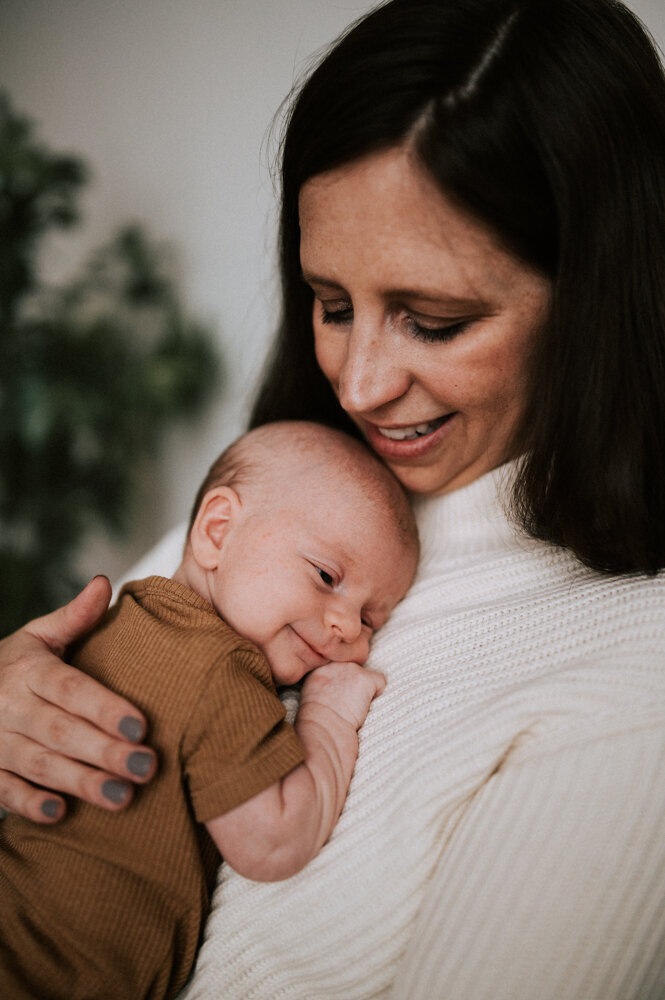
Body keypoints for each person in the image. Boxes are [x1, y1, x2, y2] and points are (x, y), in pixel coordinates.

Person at [1, 0, 665, 997]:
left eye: (431, 321)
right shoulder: (289, 492)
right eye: (331, 304)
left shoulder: (631, 687)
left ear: (597, 292)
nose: (355, 386)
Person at [0, 421, 418, 1000]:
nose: (347, 625)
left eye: (371, 619)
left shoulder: (123, 619)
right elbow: (273, 841)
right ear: (218, 531)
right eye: (326, 576)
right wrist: (325, 717)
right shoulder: (222, 668)